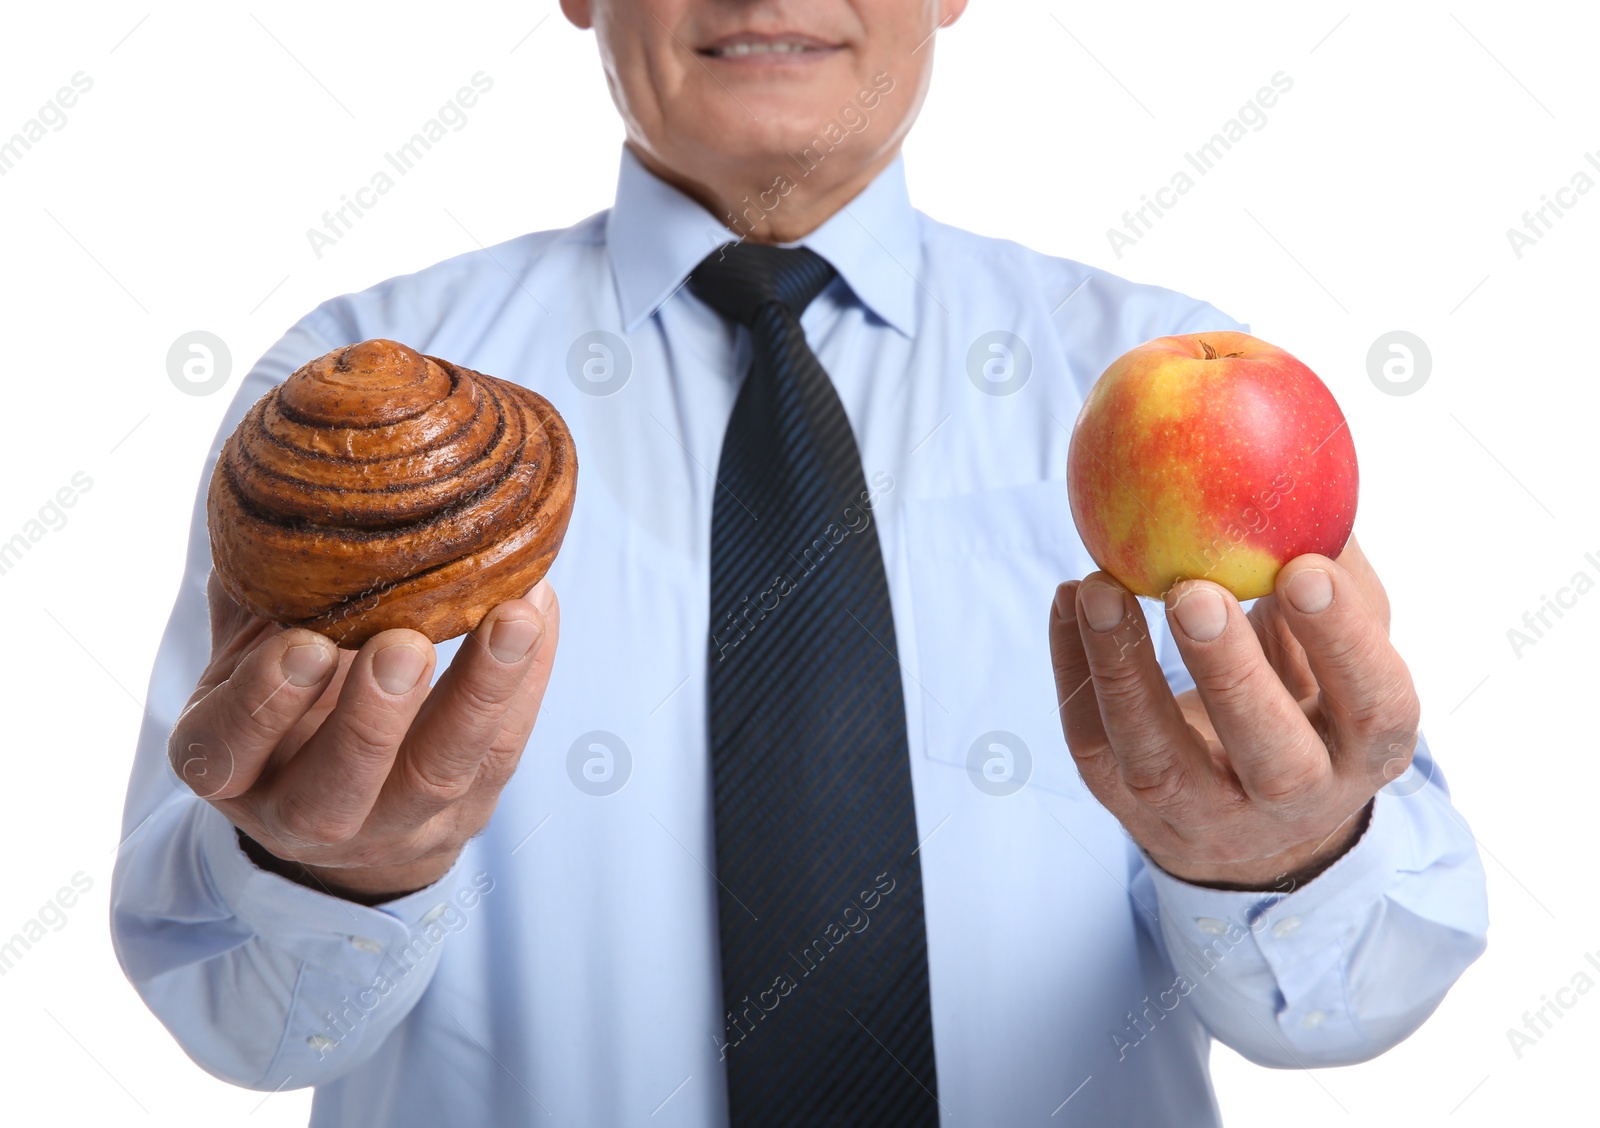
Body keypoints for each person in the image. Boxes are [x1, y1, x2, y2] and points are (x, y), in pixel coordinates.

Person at [111, 2, 1488, 1124]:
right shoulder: (350, 425)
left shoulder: (1182, 392)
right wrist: (331, 878)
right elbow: (233, 1014)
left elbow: (1359, 997)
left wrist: (1286, 858)